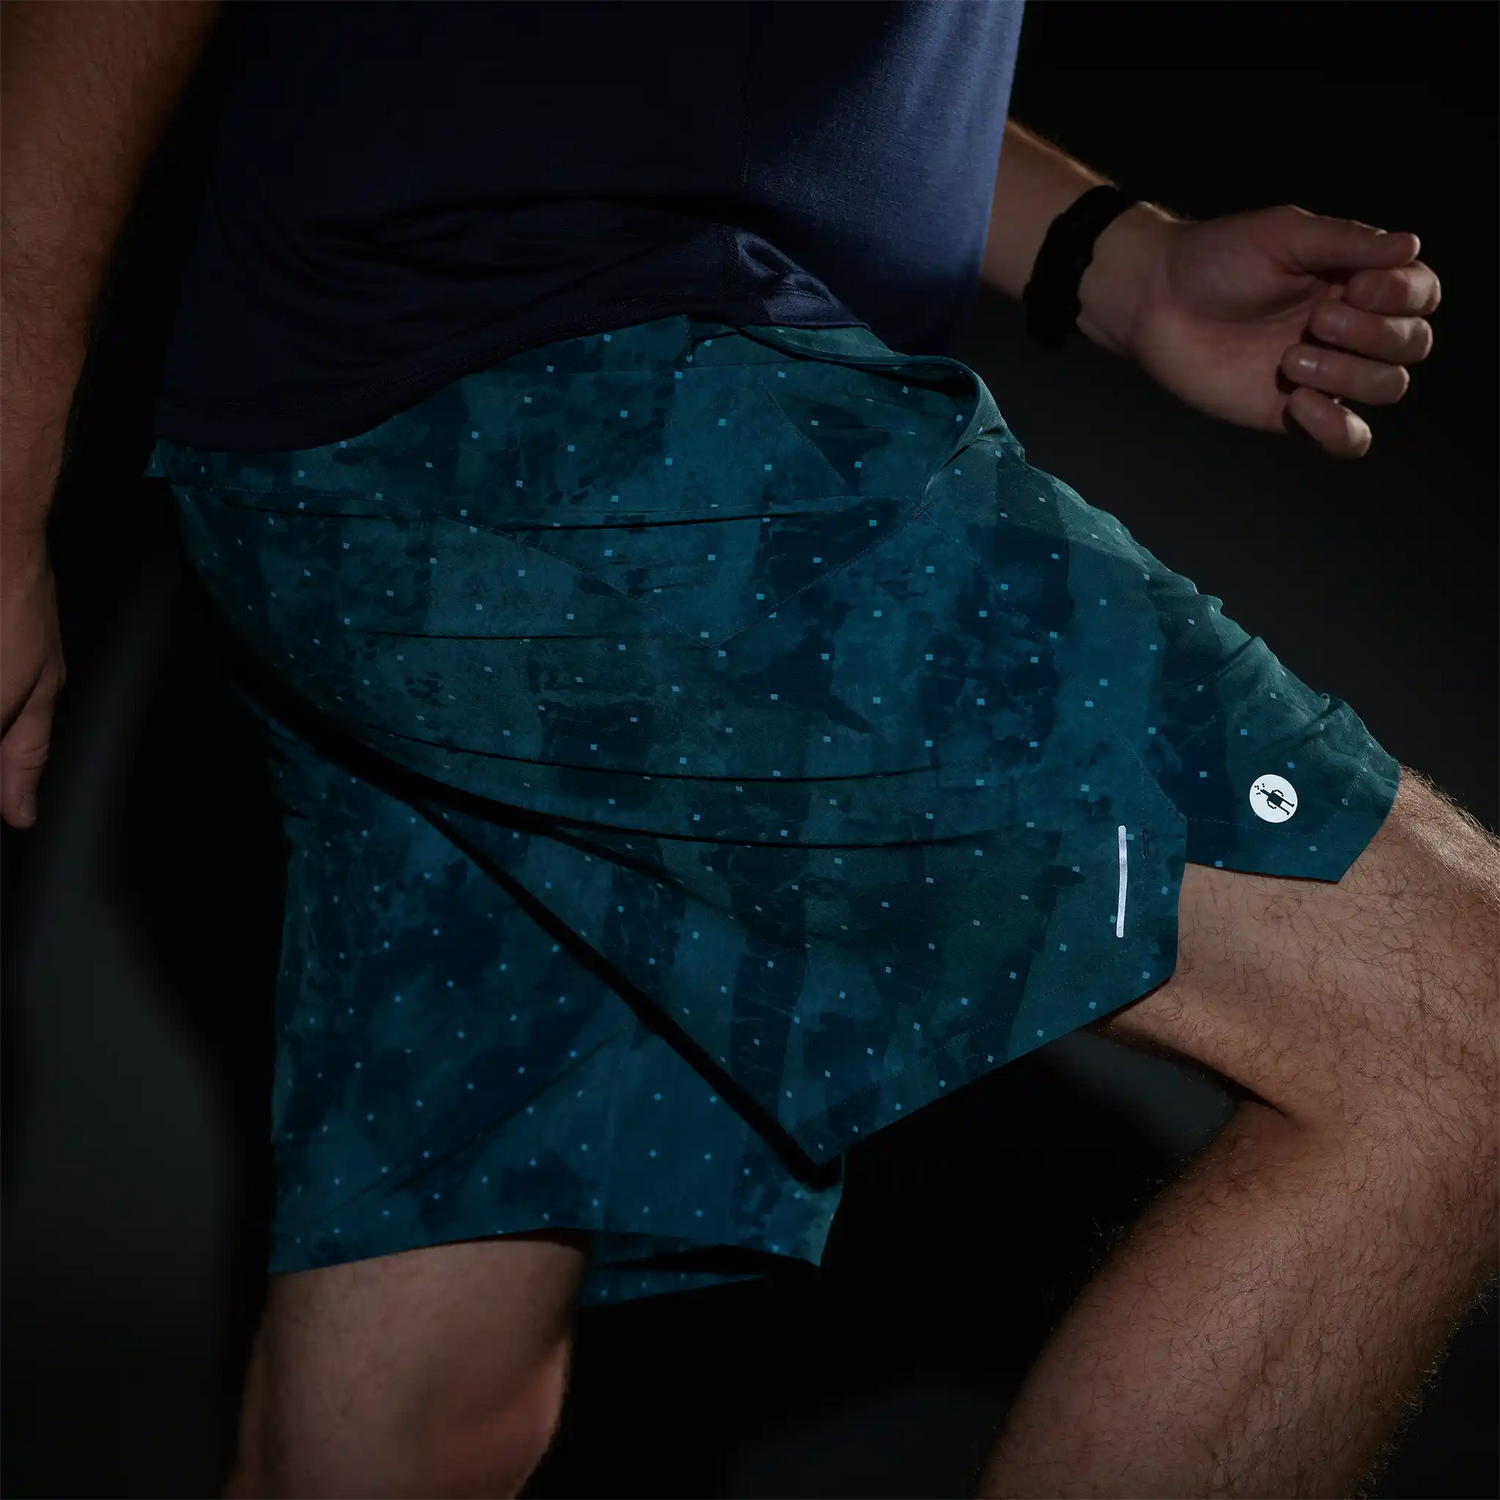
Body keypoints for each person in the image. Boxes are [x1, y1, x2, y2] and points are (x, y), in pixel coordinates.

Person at [1, 2, 1489, 1498]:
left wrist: (1116, 260)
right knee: (1457, 1032)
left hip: (414, 433)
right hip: (573, 418)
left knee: (421, 1408)